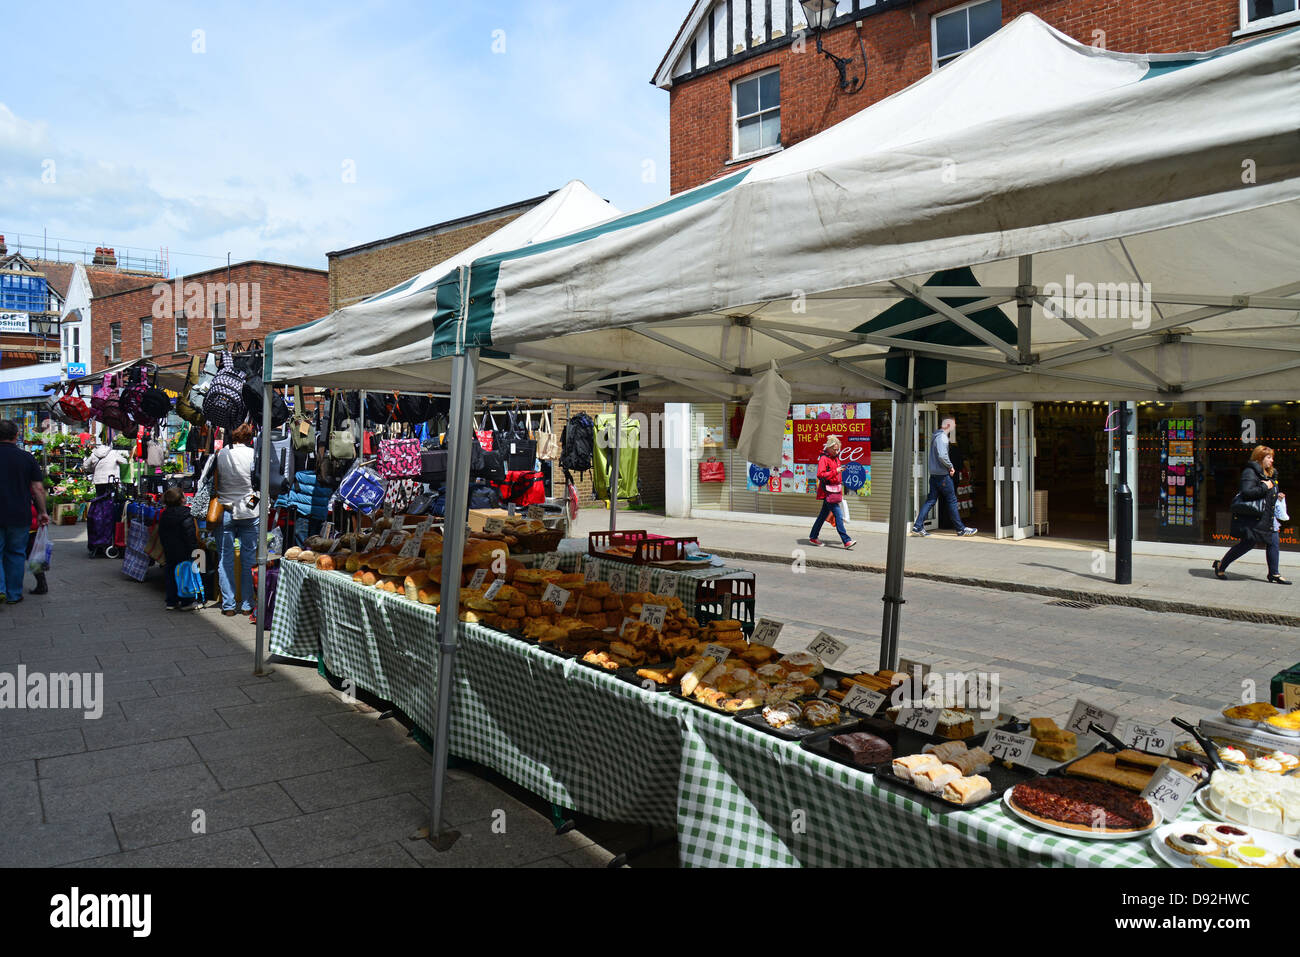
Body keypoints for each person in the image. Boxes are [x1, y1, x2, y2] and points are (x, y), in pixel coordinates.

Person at [1213, 445, 1287, 584]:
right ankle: (1221, 565)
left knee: (1273, 541)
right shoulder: (1250, 472)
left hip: (1267, 516)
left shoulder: (1269, 473)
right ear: (1260, 458)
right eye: (1268, 457)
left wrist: (1277, 495)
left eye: (1272, 457)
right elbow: (1247, 493)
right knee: (1247, 544)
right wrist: (1265, 487)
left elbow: (1267, 493)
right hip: (1255, 517)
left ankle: (1274, 573)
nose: (1272, 460)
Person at [0, 419, 49, 605]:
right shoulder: (27, 458)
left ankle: (0, 589)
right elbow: (37, 488)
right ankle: (13, 594)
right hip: (20, 514)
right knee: (16, 553)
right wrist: (42, 511)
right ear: (16, 436)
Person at [215, 424, 260, 618]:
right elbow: (258, 485)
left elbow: (215, 481)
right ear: (250, 438)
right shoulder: (254, 455)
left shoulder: (221, 454)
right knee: (249, 559)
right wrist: (251, 505)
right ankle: (248, 604)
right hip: (249, 512)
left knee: (225, 559)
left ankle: (229, 605)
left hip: (225, 508)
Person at [911, 415, 977, 537]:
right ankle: (961, 529)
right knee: (952, 500)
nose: (955, 426)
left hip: (935, 475)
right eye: (953, 424)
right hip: (943, 476)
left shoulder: (936, 436)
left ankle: (918, 526)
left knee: (931, 500)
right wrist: (950, 466)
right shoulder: (942, 438)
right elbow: (942, 455)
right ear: (947, 425)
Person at [808, 435, 855, 549]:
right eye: (834, 449)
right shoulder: (824, 458)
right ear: (828, 448)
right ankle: (846, 540)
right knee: (838, 515)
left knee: (822, 515)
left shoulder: (836, 458)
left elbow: (836, 475)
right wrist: (836, 471)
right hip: (827, 492)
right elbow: (820, 474)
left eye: (838, 449)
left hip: (834, 491)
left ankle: (813, 536)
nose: (837, 451)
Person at [158, 487, 200, 610]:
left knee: (170, 574)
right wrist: (194, 550)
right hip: (184, 550)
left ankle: (171, 601)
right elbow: (190, 534)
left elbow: (161, 532)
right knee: (185, 575)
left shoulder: (164, 514)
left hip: (169, 549)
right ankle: (186, 602)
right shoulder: (186, 514)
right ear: (182, 499)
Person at [82, 432, 127, 497]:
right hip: (111, 479)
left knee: (100, 498)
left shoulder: (94, 454)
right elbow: (124, 462)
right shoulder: (113, 453)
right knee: (110, 499)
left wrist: (92, 470)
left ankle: (100, 507)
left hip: (98, 481)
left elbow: (85, 466)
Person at [27, 503, 48, 595]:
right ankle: (41, 583)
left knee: (30, 555)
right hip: (34, 524)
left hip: (26, 525)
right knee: (33, 555)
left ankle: (41, 584)